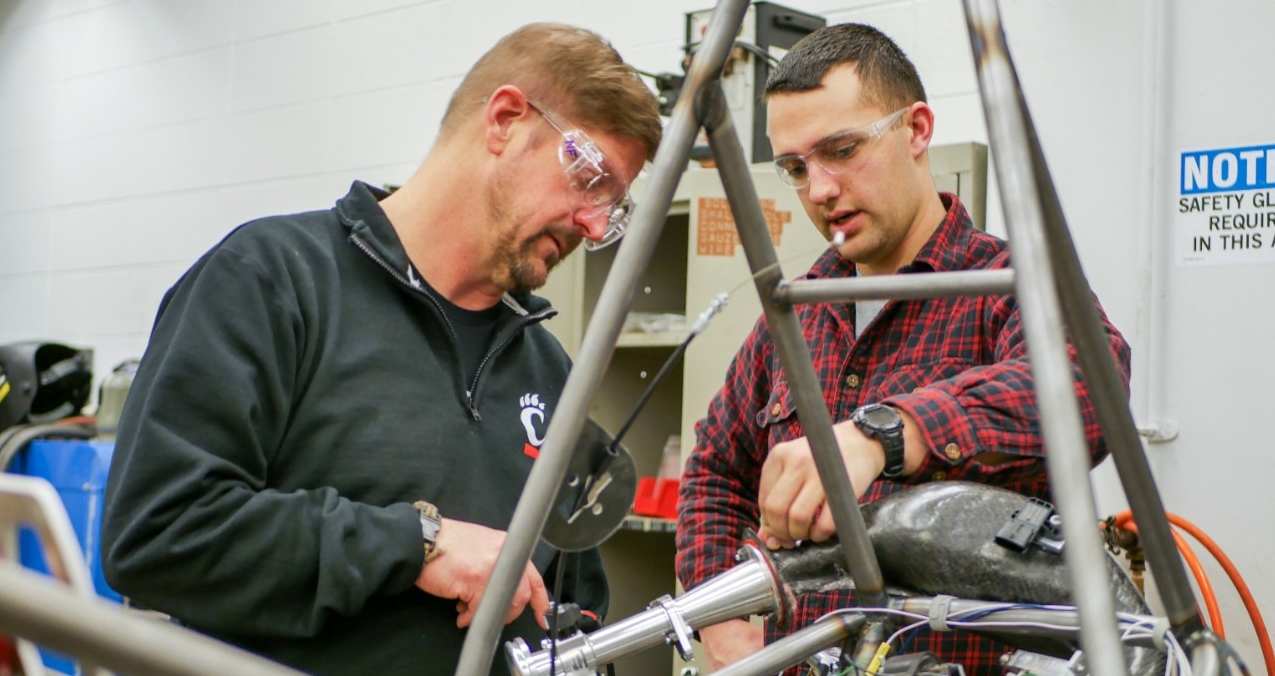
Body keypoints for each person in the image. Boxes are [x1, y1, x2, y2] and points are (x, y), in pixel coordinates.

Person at [101, 22, 661, 676]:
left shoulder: (546, 368)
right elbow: (158, 536)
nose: (595, 225)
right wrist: (417, 544)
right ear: (505, 120)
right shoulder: (271, 282)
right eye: (590, 178)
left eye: (613, 210)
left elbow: (572, 600)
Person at [674, 22, 1131, 675]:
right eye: (796, 168)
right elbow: (715, 470)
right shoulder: (795, 315)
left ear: (916, 130)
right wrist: (718, 619)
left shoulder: (1002, 286)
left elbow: (1092, 386)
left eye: (841, 149)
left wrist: (882, 437)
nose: (820, 191)